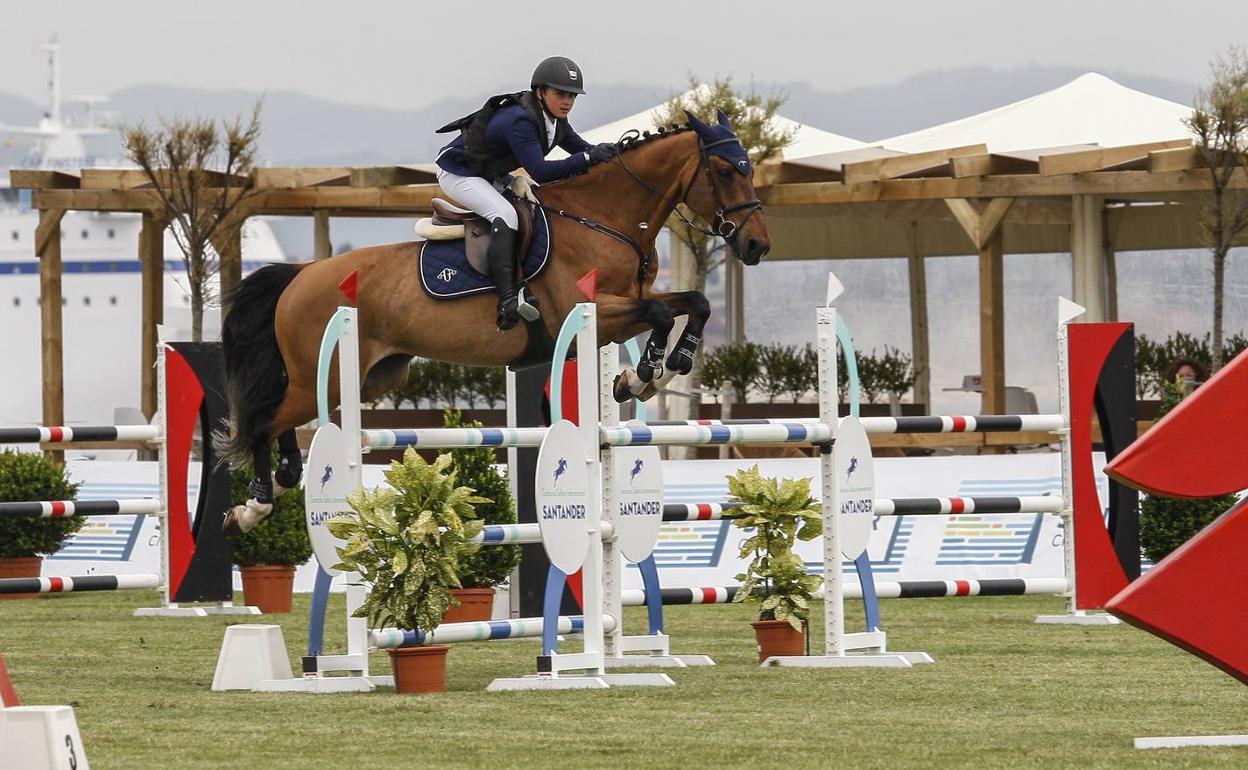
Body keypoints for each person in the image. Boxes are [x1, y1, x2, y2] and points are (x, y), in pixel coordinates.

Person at [434, 56, 619, 330]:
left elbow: (581, 148)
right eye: (560, 94)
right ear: (540, 92)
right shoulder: (520, 120)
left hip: (489, 173)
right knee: (506, 214)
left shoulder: (555, 121)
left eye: (572, 96)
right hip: (459, 173)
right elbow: (541, 171)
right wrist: (589, 159)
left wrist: (611, 154)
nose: (567, 101)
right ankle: (507, 298)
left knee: (533, 207)